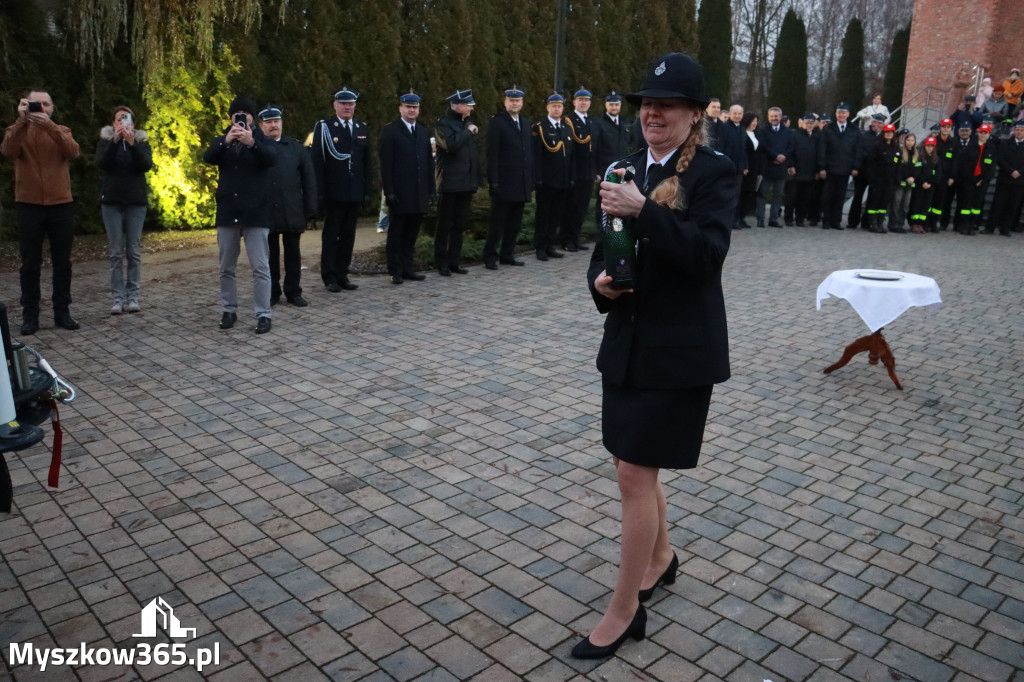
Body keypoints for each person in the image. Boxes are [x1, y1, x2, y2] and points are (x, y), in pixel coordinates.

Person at [578, 51, 734, 661]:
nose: (653, 113)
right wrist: (600, 284)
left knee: (633, 476)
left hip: (679, 350)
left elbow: (706, 256)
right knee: (629, 463)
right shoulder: (624, 168)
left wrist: (644, 211)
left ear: (694, 114)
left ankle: (623, 610)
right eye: (647, 103)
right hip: (627, 344)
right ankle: (662, 556)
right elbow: (604, 249)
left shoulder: (715, 172)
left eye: (667, 105)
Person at [1, 89, 81, 335]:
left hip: (60, 205)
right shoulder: (17, 130)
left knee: (62, 262)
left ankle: (62, 312)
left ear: (52, 108)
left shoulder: (61, 130)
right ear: (25, 105)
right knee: (30, 264)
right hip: (29, 205)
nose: (41, 108)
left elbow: (73, 152)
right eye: (36, 104)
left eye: (46, 104)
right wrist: (21, 121)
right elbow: (8, 151)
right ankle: (30, 315)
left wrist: (49, 126)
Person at [202, 95, 277, 334]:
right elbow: (208, 157)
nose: (241, 118)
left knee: (260, 267)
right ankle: (229, 310)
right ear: (230, 117)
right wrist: (227, 141)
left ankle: (263, 314)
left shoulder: (262, 140)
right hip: (228, 212)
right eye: (237, 114)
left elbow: (271, 158)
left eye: (245, 114)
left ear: (253, 117)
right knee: (226, 267)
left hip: (256, 213)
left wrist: (251, 143)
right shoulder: (222, 140)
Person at [311, 87, 369, 293]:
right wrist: (319, 194)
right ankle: (329, 276)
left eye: (351, 104)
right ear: (335, 105)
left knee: (348, 236)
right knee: (331, 236)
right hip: (333, 193)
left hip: (354, 192)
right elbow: (317, 162)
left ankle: (342, 274)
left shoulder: (361, 128)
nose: (347, 107)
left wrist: (366, 190)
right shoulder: (325, 127)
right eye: (343, 103)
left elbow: (366, 163)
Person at [258, 104, 317, 307]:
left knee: (293, 254)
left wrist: (311, 208)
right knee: (270, 255)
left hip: (292, 208)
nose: (273, 125)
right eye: (269, 122)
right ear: (261, 125)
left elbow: (309, 179)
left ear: (282, 123)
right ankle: (272, 292)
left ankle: (293, 291)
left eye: (276, 121)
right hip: (266, 210)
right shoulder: (255, 147)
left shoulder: (295, 147)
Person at [95, 105, 152, 315]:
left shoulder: (142, 142)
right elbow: (102, 163)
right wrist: (115, 142)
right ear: (113, 123)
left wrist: (132, 143)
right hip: (112, 202)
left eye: (126, 119)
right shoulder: (106, 142)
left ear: (133, 123)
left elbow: (146, 165)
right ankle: (117, 299)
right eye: (119, 119)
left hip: (136, 203)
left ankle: (133, 296)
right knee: (116, 253)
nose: (122, 122)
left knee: (134, 252)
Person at [380, 91, 434, 284]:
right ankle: (395, 270)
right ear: (400, 108)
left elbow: (428, 163)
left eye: (415, 107)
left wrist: (431, 189)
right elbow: (386, 165)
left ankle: (408, 267)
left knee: (412, 233)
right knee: (397, 233)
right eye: (408, 107)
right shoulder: (391, 131)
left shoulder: (423, 131)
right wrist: (389, 191)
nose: (412, 110)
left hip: (419, 192)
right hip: (400, 192)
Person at [484, 85, 533, 270]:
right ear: (505, 102)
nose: (514, 104)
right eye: (511, 101)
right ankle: (490, 256)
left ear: (522, 103)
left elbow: (528, 153)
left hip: (521, 182)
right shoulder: (497, 123)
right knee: (497, 223)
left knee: (514, 223)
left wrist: (530, 179)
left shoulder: (526, 122)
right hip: (504, 182)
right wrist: (493, 180)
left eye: (517, 101)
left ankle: (507, 254)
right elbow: (492, 154)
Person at [434, 89, 480, 277]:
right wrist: (468, 131)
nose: (471, 108)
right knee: (445, 225)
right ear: (459, 106)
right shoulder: (443, 124)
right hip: (450, 183)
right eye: (469, 105)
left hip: (466, 182)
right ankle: (441, 262)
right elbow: (451, 145)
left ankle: (454, 261)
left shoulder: (465, 123)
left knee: (459, 225)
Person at [532, 93, 574, 261]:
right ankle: (540, 247)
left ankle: (550, 245)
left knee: (556, 215)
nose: (557, 109)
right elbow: (536, 156)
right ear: (548, 108)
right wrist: (537, 178)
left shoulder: (566, 127)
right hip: (546, 180)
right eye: (553, 106)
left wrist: (571, 177)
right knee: (543, 215)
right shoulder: (540, 127)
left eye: (559, 106)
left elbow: (571, 156)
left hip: (563, 180)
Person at [592, 91, 634, 228]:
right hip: (606, 170)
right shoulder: (599, 123)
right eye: (611, 105)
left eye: (616, 105)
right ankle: (602, 229)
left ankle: (617, 229)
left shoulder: (625, 123)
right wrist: (596, 171)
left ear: (620, 105)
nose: (614, 107)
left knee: (620, 201)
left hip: (622, 170)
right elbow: (595, 149)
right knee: (604, 201)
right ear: (606, 105)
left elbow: (630, 145)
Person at [816, 103, 859, 231]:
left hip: (845, 168)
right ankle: (826, 220)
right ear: (836, 114)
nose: (841, 115)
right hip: (830, 168)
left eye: (844, 112)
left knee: (840, 196)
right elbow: (822, 149)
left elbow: (857, 150)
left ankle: (836, 221)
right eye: (839, 112)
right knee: (828, 196)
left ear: (848, 114)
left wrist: (855, 166)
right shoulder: (828, 128)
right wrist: (821, 167)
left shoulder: (854, 129)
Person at [562, 88, 595, 252]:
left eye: (586, 100)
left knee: (581, 208)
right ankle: (566, 240)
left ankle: (575, 238)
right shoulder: (569, 121)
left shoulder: (591, 122)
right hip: (575, 172)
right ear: (574, 102)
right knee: (571, 208)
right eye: (580, 100)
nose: (583, 103)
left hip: (588, 172)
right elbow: (570, 151)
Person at [952, 122, 995, 235]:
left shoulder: (992, 149)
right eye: (981, 132)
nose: (983, 135)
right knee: (965, 204)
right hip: (969, 181)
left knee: (976, 206)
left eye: (985, 133)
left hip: (982, 182)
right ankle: (963, 226)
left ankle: (971, 226)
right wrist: (973, 179)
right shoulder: (970, 146)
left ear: (989, 134)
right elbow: (965, 165)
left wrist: (983, 180)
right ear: (978, 133)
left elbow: (992, 168)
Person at [985, 119, 1024, 236]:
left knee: (1012, 205)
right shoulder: (1005, 143)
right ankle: (990, 227)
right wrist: (1011, 171)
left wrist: (1019, 172)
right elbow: (1000, 159)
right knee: (997, 204)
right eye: (1017, 130)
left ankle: (1005, 228)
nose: (1019, 132)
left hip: (1020, 181)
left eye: (1022, 130)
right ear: (1014, 131)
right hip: (1005, 178)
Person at [712, 104, 748, 229]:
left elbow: (744, 149)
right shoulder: (724, 127)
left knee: (736, 195)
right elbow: (720, 147)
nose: (737, 116)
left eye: (740, 114)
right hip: (727, 167)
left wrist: (745, 165)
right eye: (735, 113)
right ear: (730, 114)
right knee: (725, 195)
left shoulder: (742, 129)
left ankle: (734, 220)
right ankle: (725, 220)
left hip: (739, 169)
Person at [756, 107, 792, 227]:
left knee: (778, 195)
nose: (774, 118)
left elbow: (791, 147)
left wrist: (783, 156)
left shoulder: (788, 131)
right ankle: (760, 218)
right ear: (768, 117)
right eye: (771, 116)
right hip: (767, 167)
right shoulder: (762, 130)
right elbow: (763, 146)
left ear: (780, 117)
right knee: (762, 194)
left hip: (781, 168)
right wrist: (775, 156)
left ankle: (773, 219)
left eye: (776, 116)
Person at [847, 113, 884, 229]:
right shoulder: (864, 135)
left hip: (875, 174)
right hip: (862, 172)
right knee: (857, 197)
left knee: (872, 199)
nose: (877, 125)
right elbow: (858, 152)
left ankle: (867, 222)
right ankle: (853, 221)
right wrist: (855, 167)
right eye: (875, 122)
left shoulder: (884, 138)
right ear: (872, 123)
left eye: (880, 123)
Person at [788, 113, 819, 226]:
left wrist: (818, 169)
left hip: (810, 171)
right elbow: (789, 152)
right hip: (796, 171)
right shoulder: (795, 135)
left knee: (805, 198)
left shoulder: (817, 137)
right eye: (807, 123)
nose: (809, 125)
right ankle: (788, 218)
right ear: (803, 123)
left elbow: (819, 154)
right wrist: (791, 165)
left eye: (811, 123)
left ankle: (800, 219)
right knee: (792, 197)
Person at [908, 136, 940, 234]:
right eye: (928, 146)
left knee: (926, 205)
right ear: (924, 146)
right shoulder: (919, 157)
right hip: (919, 186)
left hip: (930, 187)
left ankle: (921, 223)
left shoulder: (937, 160)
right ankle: (914, 223)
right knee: (916, 204)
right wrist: (923, 182)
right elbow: (917, 172)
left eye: (931, 146)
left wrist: (930, 183)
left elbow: (938, 174)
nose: (929, 148)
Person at [931, 118, 957, 231]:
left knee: (940, 201)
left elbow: (956, 161)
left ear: (951, 129)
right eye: (944, 127)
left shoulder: (954, 143)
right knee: (930, 199)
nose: (945, 129)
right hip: (933, 175)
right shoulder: (934, 141)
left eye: (948, 127)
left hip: (946, 177)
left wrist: (952, 177)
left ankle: (935, 223)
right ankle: (927, 222)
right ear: (940, 128)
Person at [888, 132, 918, 233]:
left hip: (910, 184)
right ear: (905, 141)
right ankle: (893, 225)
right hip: (900, 183)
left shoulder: (916, 154)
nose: (910, 142)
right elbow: (898, 168)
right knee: (896, 205)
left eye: (912, 140)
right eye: (908, 140)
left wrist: (913, 178)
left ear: (915, 142)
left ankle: (900, 224)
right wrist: (904, 179)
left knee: (905, 206)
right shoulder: (900, 152)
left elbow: (917, 168)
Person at [739, 112, 761, 227]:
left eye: (756, 121)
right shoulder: (742, 133)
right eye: (753, 121)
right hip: (746, 167)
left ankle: (742, 217)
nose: (755, 123)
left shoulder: (756, 134)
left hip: (754, 168)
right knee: (742, 193)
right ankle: (737, 217)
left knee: (749, 193)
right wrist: (744, 165)